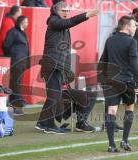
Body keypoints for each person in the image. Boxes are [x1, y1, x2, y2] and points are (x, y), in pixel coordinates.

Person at [35, 1, 98, 134]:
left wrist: (67, 72)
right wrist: (86, 15)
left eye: (67, 11)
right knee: (54, 95)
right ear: (56, 11)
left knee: (54, 95)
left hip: (57, 67)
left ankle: (42, 123)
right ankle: (48, 125)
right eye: (63, 11)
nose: (66, 13)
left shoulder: (61, 25)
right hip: (51, 65)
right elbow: (69, 22)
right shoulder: (53, 21)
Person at [99, 16, 138, 152]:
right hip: (127, 81)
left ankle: (111, 145)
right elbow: (134, 64)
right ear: (127, 26)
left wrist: (102, 79)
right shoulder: (131, 42)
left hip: (111, 80)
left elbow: (102, 61)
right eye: (134, 25)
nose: (135, 28)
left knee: (111, 111)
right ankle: (125, 141)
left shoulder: (110, 40)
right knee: (129, 108)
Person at [3, 16, 30, 115]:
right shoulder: (13, 32)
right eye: (26, 22)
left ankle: (15, 105)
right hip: (16, 62)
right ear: (21, 22)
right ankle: (16, 106)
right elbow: (6, 45)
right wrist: (13, 56)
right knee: (16, 84)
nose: (27, 24)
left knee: (16, 84)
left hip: (21, 63)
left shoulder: (22, 33)